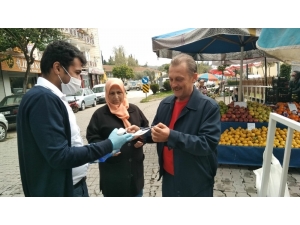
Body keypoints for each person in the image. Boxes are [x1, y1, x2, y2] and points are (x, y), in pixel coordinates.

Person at [17, 40, 133, 197]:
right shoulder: (43, 99)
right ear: (58, 68)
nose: (80, 79)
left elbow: (63, 147)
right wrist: (109, 144)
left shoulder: (52, 97)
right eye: (77, 72)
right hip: (62, 191)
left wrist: (100, 154)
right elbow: (59, 156)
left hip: (72, 186)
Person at [128, 53, 221, 197]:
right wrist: (139, 133)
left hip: (196, 183)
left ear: (194, 78)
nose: (173, 84)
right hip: (169, 179)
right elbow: (156, 132)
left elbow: (208, 144)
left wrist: (171, 136)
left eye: (179, 79)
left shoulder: (209, 107)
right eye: (171, 79)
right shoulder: (165, 104)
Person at [86, 78, 149, 197]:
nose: (116, 96)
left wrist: (142, 139)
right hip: (113, 177)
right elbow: (92, 138)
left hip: (135, 174)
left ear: (124, 92)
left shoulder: (134, 110)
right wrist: (107, 148)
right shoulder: (99, 115)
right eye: (112, 93)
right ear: (107, 94)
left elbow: (146, 128)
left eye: (119, 92)